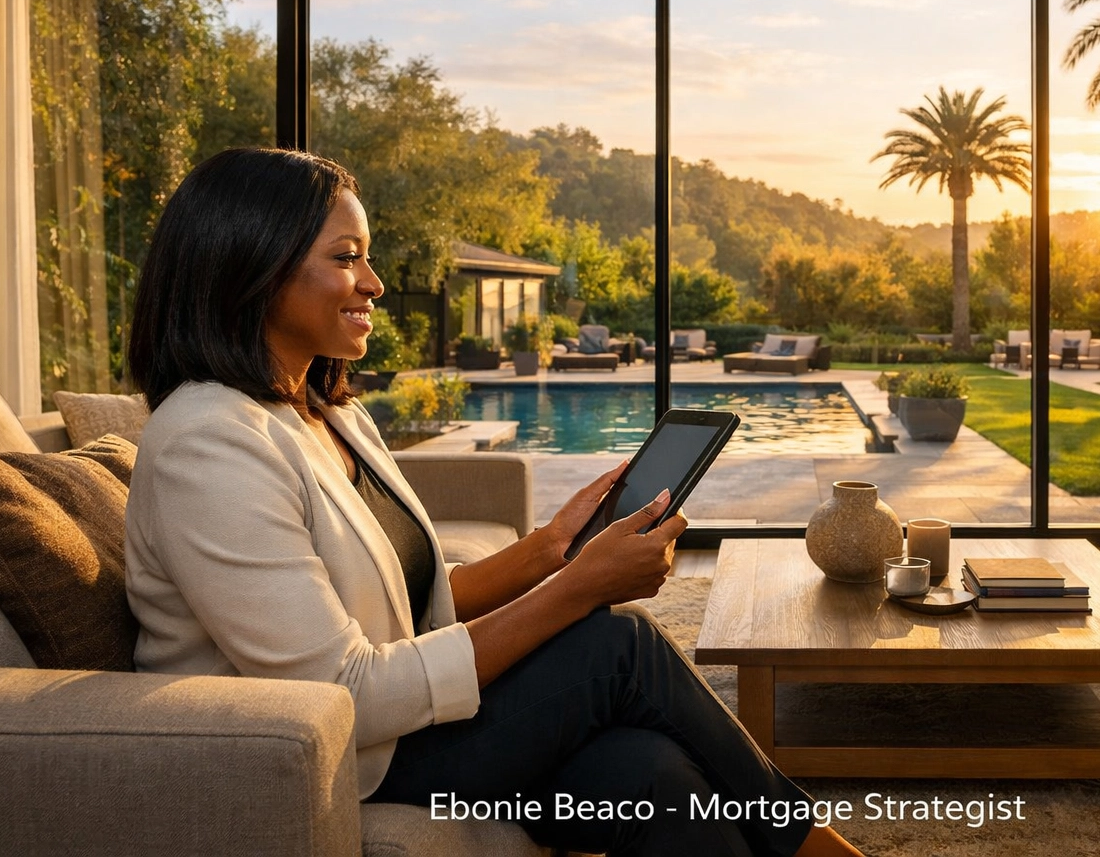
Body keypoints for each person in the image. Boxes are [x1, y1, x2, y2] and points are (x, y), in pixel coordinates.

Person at [121, 147, 863, 857]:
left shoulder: (329, 412)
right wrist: (577, 589)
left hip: (401, 730)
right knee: (619, 644)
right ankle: (813, 846)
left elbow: (413, 609)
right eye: (346, 258)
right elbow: (340, 695)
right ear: (250, 266)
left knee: (654, 776)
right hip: (342, 758)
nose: (374, 283)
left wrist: (549, 550)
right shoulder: (207, 441)